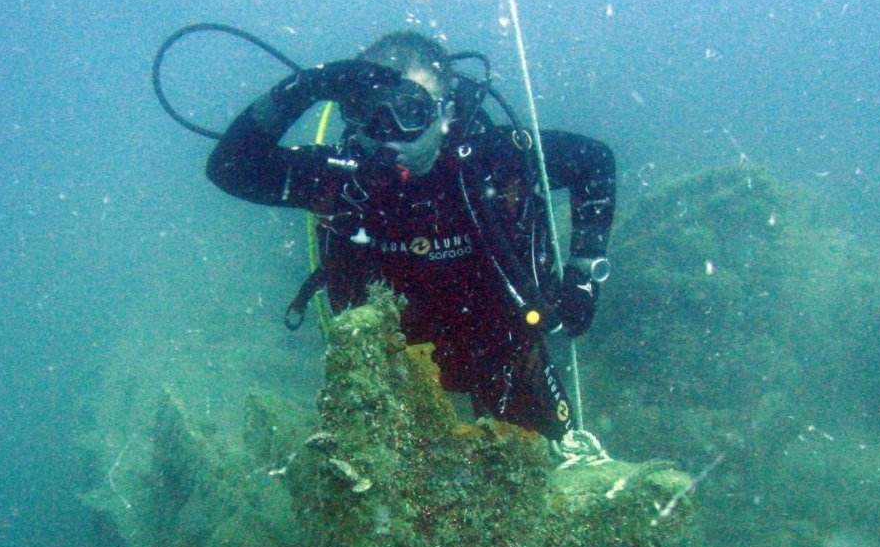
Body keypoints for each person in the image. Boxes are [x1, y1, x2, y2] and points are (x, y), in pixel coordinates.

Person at [206, 30, 615, 444]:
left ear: (446, 114)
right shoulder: (339, 179)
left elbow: (595, 163)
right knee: (380, 496)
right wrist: (307, 86)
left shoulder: (495, 160)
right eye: (367, 109)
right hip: (387, 367)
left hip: (503, 346)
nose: (387, 132)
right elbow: (231, 167)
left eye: (410, 111)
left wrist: (583, 277)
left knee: (551, 471)